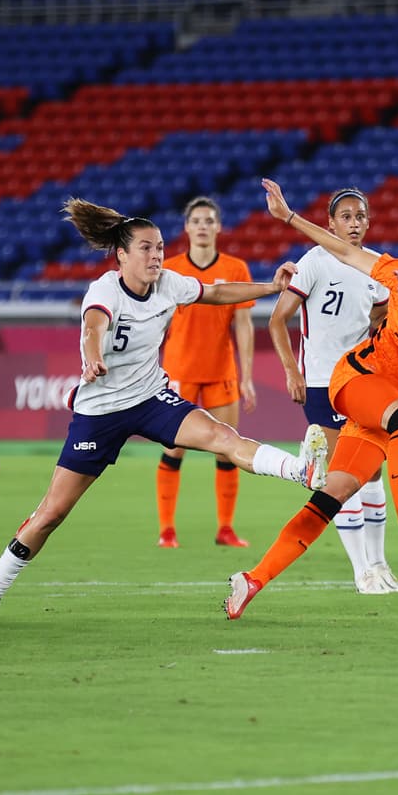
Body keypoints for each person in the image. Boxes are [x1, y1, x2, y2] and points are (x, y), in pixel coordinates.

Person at [0, 198, 328, 623]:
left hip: (149, 399)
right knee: (51, 514)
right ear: (122, 255)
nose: (156, 255)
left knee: (223, 438)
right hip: (100, 412)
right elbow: (94, 326)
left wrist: (272, 288)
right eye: (146, 248)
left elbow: (217, 292)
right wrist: (91, 357)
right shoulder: (105, 290)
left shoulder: (169, 284)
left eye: (160, 246)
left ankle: (302, 470)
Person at [224, 177, 398, 619]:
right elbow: (347, 253)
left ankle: (252, 580)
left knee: (331, 496)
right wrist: (290, 217)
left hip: (384, 406)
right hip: (356, 377)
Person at [268, 187, 396, 595]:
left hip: (360, 379)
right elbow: (277, 320)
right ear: (331, 223)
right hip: (323, 382)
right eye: (346, 216)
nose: (354, 223)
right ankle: (361, 571)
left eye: (361, 216)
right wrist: (292, 372)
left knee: (372, 472)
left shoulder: (375, 266)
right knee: (341, 475)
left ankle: (379, 563)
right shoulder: (314, 262)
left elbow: (381, 310)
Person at [157, 196, 257, 548]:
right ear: (186, 228)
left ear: (218, 227)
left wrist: (247, 375)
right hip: (179, 371)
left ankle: (225, 528)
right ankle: (167, 530)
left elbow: (243, 324)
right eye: (196, 220)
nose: (202, 226)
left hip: (221, 371)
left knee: (227, 450)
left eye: (208, 220)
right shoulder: (168, 269)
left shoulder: (235, 269)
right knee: (173, 450)